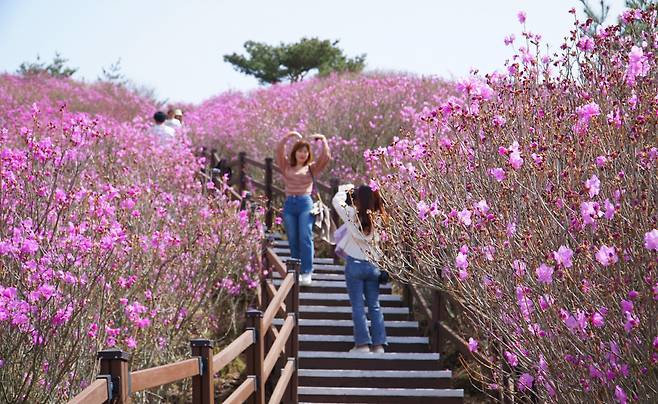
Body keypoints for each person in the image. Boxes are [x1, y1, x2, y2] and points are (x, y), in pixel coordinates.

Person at [332, 184, 387, 353]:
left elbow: (336, 200)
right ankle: (378, 345)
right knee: (374, 305)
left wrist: (346, 188)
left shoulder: (351, 214)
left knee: (357, 306)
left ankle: (362, 345)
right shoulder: (381, 217)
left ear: (358, 200)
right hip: (373, 265)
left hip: (354, 265)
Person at [275, 131, 331, 286]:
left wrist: (324, 140)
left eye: (306, 151)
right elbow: (279, 151)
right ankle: (295, 271)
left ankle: (307, 272)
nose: (303, 154)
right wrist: (288, 136)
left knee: (305, 237)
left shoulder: (312, 168)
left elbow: (325, 158)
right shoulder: (286, 165)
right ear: (295, 152)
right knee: (293, 238)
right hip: (289, 204)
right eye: (300, 151)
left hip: (305, 203)